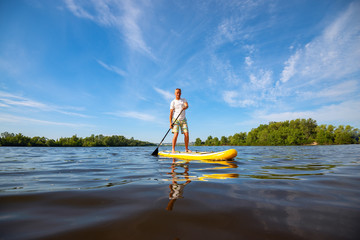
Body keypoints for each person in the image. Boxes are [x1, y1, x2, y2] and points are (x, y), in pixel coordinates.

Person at [170, 88, 191, 153]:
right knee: (176, 134)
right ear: (175, 93)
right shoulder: (173, 102)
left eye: (179, 93)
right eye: (177, 93)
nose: (178, 94)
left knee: (186, 134)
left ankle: (186, 149)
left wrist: (185, 107)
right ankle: (173, 149)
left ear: (181, 93)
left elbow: (187, 105)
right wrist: (170, 123)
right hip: (175, 120)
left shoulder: (183, 100)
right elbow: (171, 113)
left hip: (183, 119)